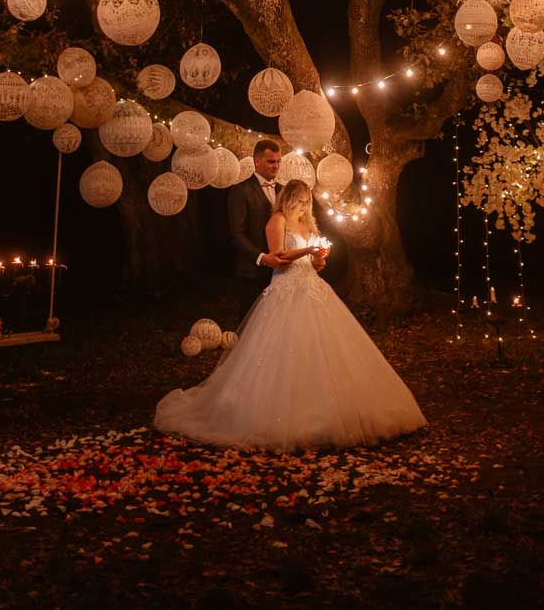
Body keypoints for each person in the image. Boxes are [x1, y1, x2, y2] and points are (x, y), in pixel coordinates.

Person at [154, 179, 426, 451]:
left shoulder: (309, 225)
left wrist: (320, 257)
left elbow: (316, 266)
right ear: (291, 198)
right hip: (285, 286)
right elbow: (278, 256)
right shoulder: (277, 220)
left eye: (308, 201)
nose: (306, 206)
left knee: (325, 349)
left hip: (313, 287)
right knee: (280, 350)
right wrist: (308, 250)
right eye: (303, 200)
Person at [227, 137, 293, 319]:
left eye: (279, 161)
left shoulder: (284, 190)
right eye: (271, 161)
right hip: (253, 271)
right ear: (257, 161)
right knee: (251, 324)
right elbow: (237, 234)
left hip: (282, 271)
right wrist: (263, 258)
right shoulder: (240, 190)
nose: (276, 166)